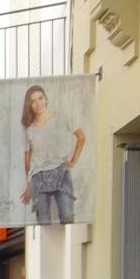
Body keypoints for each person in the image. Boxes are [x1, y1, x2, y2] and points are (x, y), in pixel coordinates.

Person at [19, 84, 88, 228]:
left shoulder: (61, 117)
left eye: (40, 98)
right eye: (33, 101)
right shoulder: (28, 129)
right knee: (43, 223)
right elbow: (27, 162)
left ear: (46, 98)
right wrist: (28, 186)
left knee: (68, 217)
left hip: (61, 173)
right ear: (29, 105)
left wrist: (73, 161)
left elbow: (81, 137)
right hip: (38, 177)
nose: (38, 104)